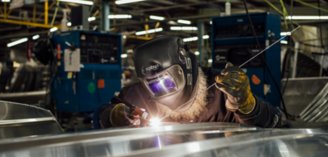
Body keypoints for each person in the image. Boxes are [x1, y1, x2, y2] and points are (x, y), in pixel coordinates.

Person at [95, 36, 279, 128]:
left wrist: (248, 106)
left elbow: (274, 122)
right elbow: (99, 119)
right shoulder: (136, 96)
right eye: (153, 85)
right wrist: (113, 115)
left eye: (167, 81)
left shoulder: (223, 87)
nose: (162, 88)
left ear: (186, 69)